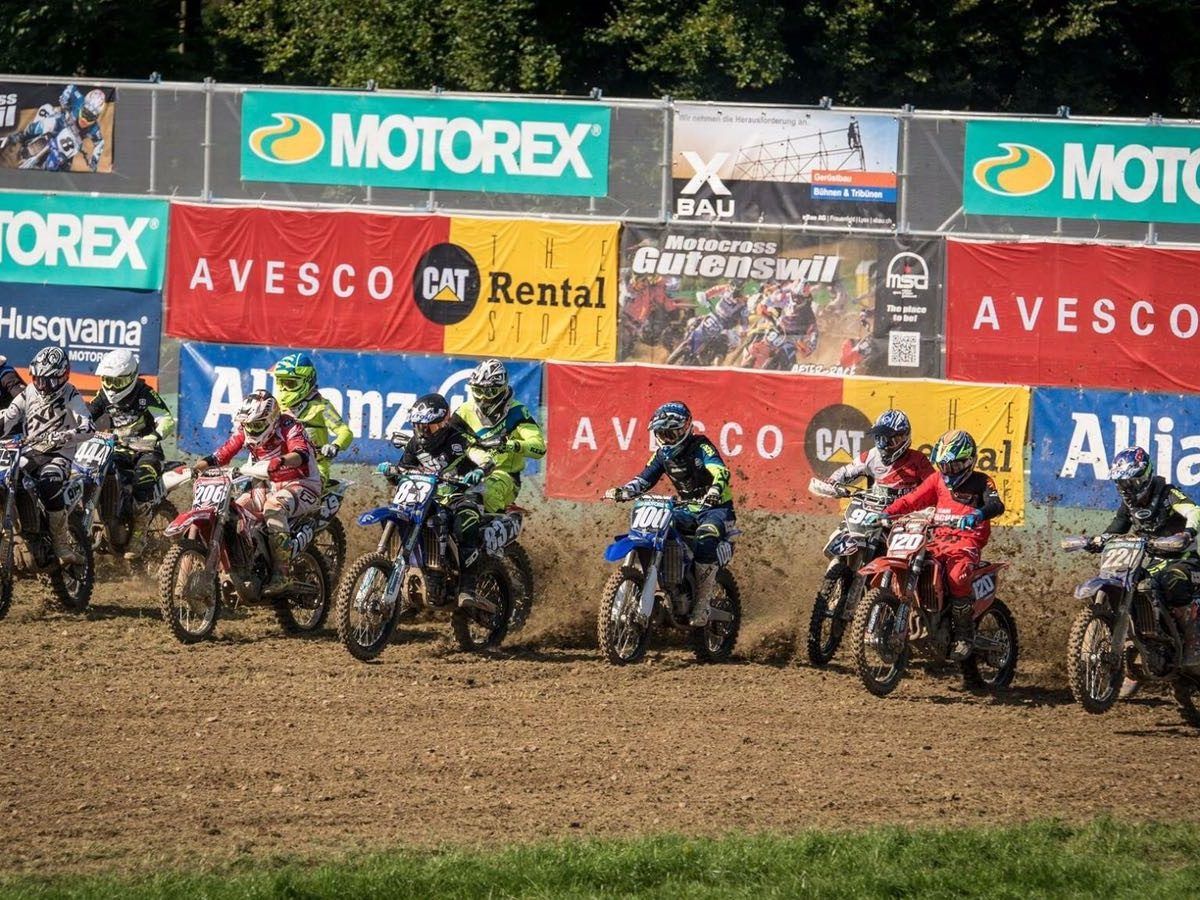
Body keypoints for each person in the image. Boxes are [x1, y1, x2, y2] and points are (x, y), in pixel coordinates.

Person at [604, 401, 734, 626]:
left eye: (671, 433)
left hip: (715, 509)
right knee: (655, 529)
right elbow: (644, 478)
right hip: (685, 508)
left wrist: (714, 491)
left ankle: (702, 605)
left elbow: (720, 471)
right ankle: (667, 582)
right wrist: (624, 491)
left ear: (685, 430)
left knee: (706, 535)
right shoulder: (661, 455)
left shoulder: (701, 447)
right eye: (661, 434)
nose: (666, 439)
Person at [881, 429, 1004, 660]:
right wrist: (887, 512)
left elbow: (997, 505)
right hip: (936, 538)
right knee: (907, 561)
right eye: (944, 466)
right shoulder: (937, 480)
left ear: (969, 461)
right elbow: (912, 499)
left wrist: (978, 514)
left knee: (957, 576)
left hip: (966, 541)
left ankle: (964, 636)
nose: (948, 472)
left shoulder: (981, 481)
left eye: (954, 466)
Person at [190, 390, 320, 594]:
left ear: (271, 419)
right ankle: (246, 564)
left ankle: (282, 573)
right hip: (266, 483)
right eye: (249, 425)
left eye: (258, 425)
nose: (252, 429)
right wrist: (197, 468)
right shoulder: (246, 429)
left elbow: (301, 453)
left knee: (273, 507)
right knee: (236, 510)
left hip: (301, 482)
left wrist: (281, 460)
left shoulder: (288, 425)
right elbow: (223, 453)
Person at [378, 393, 489, 609]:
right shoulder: (414, 444)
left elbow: (482, 456)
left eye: (428, 426)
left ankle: (468, 587)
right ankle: (417, 575)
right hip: (429, 496)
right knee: (406, 518)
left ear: (443, 423)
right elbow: (403, 471)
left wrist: (480, 470)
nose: (423, 431)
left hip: (462, 494)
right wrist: (391, 471)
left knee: (465, 524)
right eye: (418, 426)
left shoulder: (459, 439)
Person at [1097, 447, 1200, 669]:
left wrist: (1187, 533)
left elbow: (1194, 511)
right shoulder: (1129, 505)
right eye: (1121, 484)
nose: (1126, 488)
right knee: (1132, 583)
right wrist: (1099, 540)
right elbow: (1118, 527)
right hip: (1153, 562)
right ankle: (1140, 637)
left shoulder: (1167, 493)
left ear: (1144, 477)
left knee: (1173, 581)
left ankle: (1193, 643)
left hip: (1183, 560)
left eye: (1130, 483)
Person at [0, 347, 92, 564]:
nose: (41, 385)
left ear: (62, 376)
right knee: (10, 479)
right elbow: (10, 418)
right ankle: (27, 531)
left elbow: (89, 428)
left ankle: (61, 545)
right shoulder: (28, 392)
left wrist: (65, 436)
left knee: (48, 484)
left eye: (47, 381)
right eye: (37, 379)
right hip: (31, 451)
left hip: (58, 455)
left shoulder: (71, 394)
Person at [90, 349, 176, 559]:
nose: (111, 387)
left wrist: (154, 436)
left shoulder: (144, 394)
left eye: (117, 382)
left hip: (145, 451)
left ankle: (139, 533)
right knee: (93, 474)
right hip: (116, 449)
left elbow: (166, 418)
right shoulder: (103, 395)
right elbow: (86, 415)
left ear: (131, 378)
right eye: (108, 380)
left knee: (142, 483)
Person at [448, 359, 545, 515]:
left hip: (504, 475)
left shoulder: (517, 412)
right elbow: (446, 439)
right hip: (467, 471)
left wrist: (512, 445)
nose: (483, 398)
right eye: (478, 390)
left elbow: (539, 448)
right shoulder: (464, 411)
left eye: (490, 392)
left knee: (488, 492)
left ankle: (487, 533)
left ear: (502, 389)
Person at [270, 352, 353, 487]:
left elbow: (345, 432)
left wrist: (335, 446)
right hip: (282, 464)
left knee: (291, 490)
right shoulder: (277, 404)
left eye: (290, 383)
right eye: (282, 382)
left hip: (315, 469)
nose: (285, 388)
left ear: (306, 381)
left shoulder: (321, 406)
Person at [827, 409, 934, 496]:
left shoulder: (918, 460)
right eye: (879, 439)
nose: (884, 445)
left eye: (889, 440)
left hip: (906, 514)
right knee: (845, 523)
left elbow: (935, 486)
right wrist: (832, 482)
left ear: (904, 438)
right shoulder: (871, 456)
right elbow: (845, 472)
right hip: (873, 510)